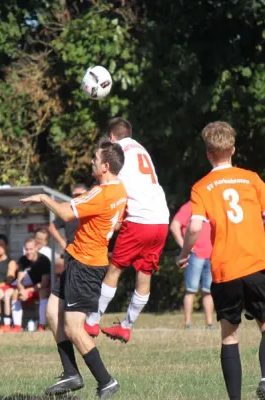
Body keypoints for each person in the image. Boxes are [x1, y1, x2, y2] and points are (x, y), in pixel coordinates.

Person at [177, 122, 265, 400]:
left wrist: (184, 253)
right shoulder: (251, 178)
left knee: (229, 336)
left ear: (208, 153)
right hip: (257, 263)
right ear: (233, 150)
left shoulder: (201, 186)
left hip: (225, 269)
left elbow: (195, 227)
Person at [20, 140, 126, 399]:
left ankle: (106, 380)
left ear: (106, 166)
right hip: (78, 260)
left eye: (95, 159)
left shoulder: (101, 193)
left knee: (74, 328)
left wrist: (45, 198)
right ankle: (71, 374)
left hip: (86, 266)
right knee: (53, 314)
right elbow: (118, 222)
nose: (92, 161)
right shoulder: (120, 190)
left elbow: (67, 213)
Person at [85, 117, 169, 343]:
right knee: (145, 272)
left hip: (140, 219)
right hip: (161, 218)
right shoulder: (141, 149)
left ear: (112, 137)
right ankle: (126, 326)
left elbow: (108, 180)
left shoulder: (115, 151)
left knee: (115, 269)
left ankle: (92, 321)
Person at [170, 200, 214, 329]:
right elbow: (174, 225)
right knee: (191, 289)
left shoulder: (211, 206)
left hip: (212, 254)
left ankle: (209, 323)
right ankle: (188, 323)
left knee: (209, 291)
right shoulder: (189, 207)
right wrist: (184, 246)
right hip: (195, 254)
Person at [0, 237, 51, 333]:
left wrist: (28, 291)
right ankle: (17, 326)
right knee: (15, 292)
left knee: (43, 292)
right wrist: (22, 290)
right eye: (26, 249)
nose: (28, 252)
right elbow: (19, 280)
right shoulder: (23, 259)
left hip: (40, 287)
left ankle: (42, 325)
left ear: (36, 248)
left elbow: (44, 283)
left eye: (31, 249)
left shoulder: (44, 260)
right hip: (28, 286)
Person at [49, 184, 88, 274]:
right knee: (70, 281)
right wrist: (62, 243)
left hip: (89, 252)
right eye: (75, 195)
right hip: (71, 253)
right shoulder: (69, 211)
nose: (77, 197)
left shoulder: (93, 210)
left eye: (80, 194)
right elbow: (52, 227)